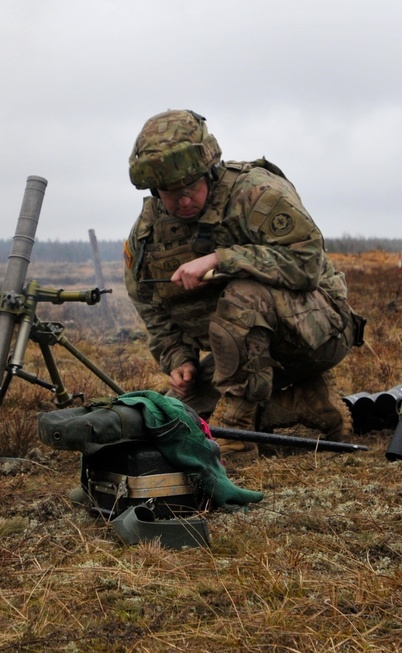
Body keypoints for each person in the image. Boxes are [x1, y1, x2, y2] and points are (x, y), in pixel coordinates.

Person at [123, 109, 365, 457]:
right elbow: (149, 302)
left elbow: (307, 263)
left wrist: (223, 259)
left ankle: (237, 433)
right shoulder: (147, 234)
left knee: (243, 295)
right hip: (242, 357)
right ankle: (307, 402)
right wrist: (180, 358)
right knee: (178, 415)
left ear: (209, 171)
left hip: (318, 334)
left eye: (192, 187)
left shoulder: (255, 193)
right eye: (171, 192)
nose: (184, 200)